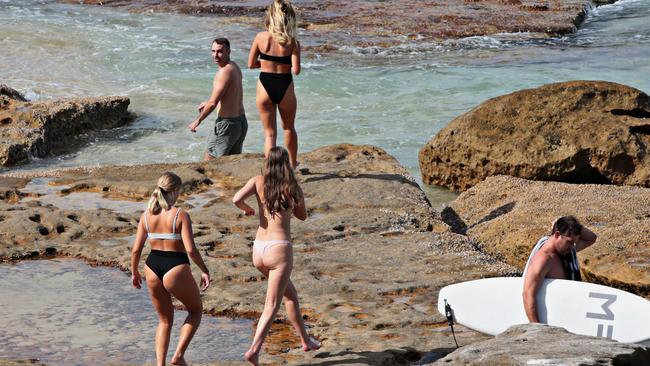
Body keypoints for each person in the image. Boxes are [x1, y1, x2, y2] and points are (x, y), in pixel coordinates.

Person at [232, 147, 320, 366]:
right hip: (279, 249)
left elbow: (236, 199)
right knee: (271, 305)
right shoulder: (293, 188)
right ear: (287, 164)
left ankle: (306, 340)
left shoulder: (257, 181)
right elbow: (302, 216)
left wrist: (248, 209)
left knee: (291, 296)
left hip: (259, 248)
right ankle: (254, 349)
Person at [131, 172, 211, 366]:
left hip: (152, 266)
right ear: (174, 191)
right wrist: (204, 269)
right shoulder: (180, 215)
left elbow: (136, 250)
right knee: (195, 310)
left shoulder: (146, 216)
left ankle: (160, 365)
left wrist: (134, 272)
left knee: (164, 320)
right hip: (175, 266)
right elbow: (191, 250)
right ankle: (178, 355)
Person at [248, 0, 301, 168]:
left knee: (270, 134)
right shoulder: (293, 42)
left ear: (270, 16)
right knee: (289, 128)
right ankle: (292, 165)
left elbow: (250, 64)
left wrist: (264, 64)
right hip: (285, 85)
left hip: (265, 84)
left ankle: (270, 170)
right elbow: (296, 70)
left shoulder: (260, 37)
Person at [522, 215, 597, 323]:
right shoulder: (543, 259)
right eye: (570, 242)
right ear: (557, 235)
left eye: (574, 243)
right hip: (549, 319)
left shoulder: (565, 250)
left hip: (568, 313)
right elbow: (528, 294)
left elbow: (591, 238)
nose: (573, 247)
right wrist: (536, 328)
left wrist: (567, 223)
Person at [189, 38, 248, 160]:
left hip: (227, 125)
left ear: (229, 52)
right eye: (213, 51)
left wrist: (197, 121)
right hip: (240, 123)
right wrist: (208, 102)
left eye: (220, 51)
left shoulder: (224, 72)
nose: (216, 55)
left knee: (208, 165)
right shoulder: (234, 67)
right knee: (229, 166)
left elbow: (213, 103)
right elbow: (229, 95)